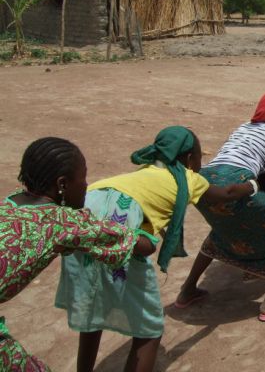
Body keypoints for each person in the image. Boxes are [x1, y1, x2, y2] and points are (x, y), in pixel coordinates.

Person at [55, 126, 254, 372]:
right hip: (120, 225)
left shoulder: (144, 172)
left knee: (92, 315)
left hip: (88, 208)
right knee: (149, 330)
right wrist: (251, 187)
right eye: (200, 157)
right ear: (190, 159)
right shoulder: (189, 178)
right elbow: (226, 193)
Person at [1, 137, 156, 371]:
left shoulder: (9, 202)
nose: (86, 185)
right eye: (83, 178)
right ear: (62, 184)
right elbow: (141, 244)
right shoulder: (64, 223)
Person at [176, 92, 265, 321]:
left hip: (204, 179)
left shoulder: (243, 127)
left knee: (222, 230)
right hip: (234, 181)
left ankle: (187, 290)